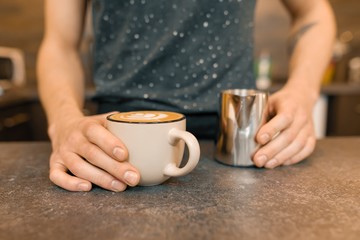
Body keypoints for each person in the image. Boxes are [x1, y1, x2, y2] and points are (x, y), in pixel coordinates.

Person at [37, 0, 336, 192]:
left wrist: (303, 90)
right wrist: (63, 121)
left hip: (242, 144)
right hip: (114, 148)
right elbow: (59, 44)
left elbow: (314, 12)